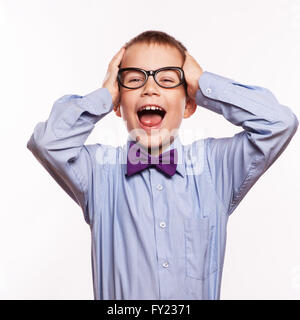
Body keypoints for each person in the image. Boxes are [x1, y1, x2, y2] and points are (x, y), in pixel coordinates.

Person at [27, 30, 298, 300]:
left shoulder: (215, 168)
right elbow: (48, 142)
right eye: (134, 80)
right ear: (119, 106)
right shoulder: (99, 173)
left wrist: (204, 83)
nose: (150, 88)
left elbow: (278, 124)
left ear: (189, 104)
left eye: (167, 79)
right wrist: (106, 94)